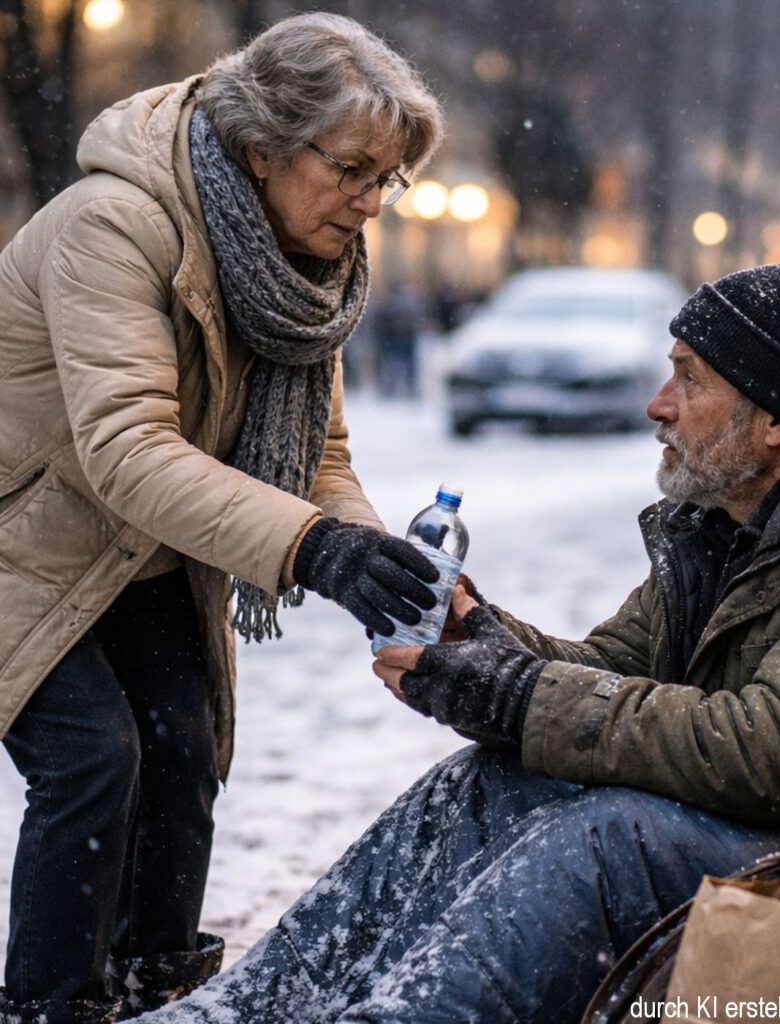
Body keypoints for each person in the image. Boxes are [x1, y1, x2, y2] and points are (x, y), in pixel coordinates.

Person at [137, 262, 780, 1024]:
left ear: (777, 420)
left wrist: (517, 696)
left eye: (689, 378)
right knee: (488, 784)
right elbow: (612, 672)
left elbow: (774, 753)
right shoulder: (735, 517)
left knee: (612, 838)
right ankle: (251, 1006)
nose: (658, 404)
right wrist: (479, 635)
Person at [0, 13, 445, 1024]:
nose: (372, 201)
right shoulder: (115, 224)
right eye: (352, 170)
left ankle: (160, 989)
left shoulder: (298, 269)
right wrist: (311, 547)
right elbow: (128, 447)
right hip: (20, 536)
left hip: (139, 545)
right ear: (262, 148)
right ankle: (50, 1005)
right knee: (94, 757)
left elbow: (318, 456)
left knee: (184, 744)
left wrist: (369, 553)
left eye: (389, 178)